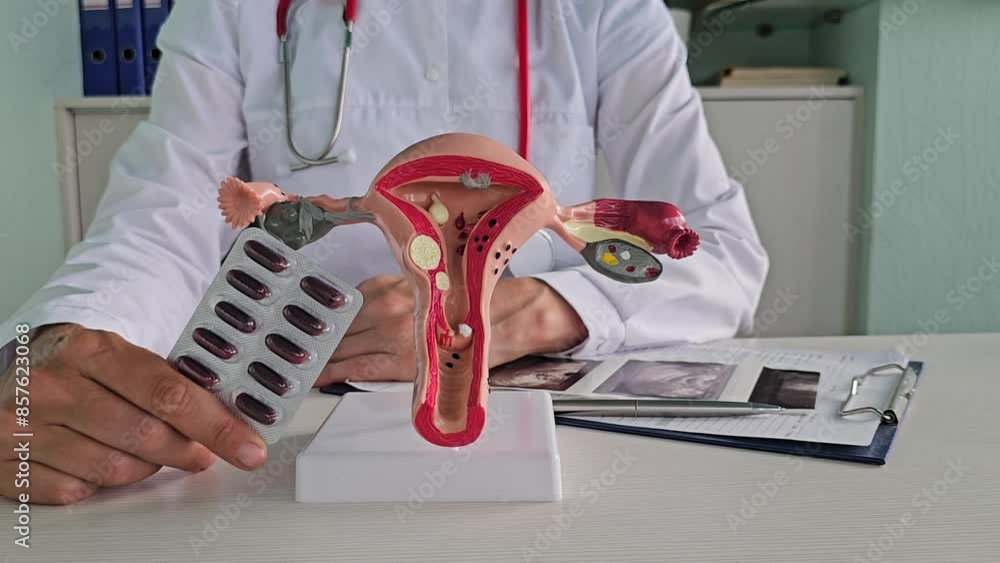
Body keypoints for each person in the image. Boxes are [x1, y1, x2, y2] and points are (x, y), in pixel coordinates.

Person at [0, 0, 767, 504]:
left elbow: (718, 250)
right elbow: (160, 223)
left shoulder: (608, 10)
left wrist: (539, 306)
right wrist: (47, 354)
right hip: (286, 424)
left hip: (538, 425)